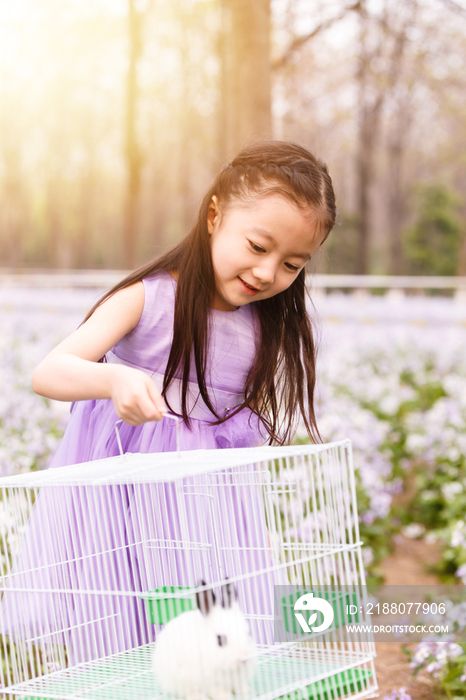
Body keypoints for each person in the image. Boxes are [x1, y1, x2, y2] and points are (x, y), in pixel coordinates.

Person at [2, 141, 336, 665]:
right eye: (256, 246)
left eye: (292, 263)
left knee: (209, 628)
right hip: (125, 496)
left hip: (204, 508)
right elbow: (49, 372)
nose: (269, 272)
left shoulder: (260, 328)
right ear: (214, 216)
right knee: (128, 621)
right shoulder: (148, 297)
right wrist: (114, 381)